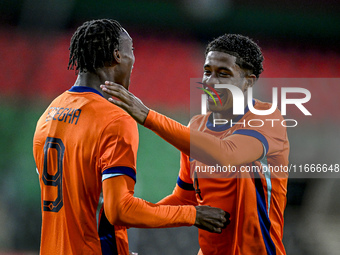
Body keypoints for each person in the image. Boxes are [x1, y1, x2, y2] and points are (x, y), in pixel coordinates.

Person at [32, 19, 228, 255]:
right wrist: (193, 214)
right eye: (130, 50)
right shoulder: (114, 119)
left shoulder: (50, 113)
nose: (133, 59)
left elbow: (82, 205)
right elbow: (119, 210)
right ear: (117, 56)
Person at [101, 34, 289, 255]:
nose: (210, 81)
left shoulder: (267, 118)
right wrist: (131, 217)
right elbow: (185, 198)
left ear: (249, 81)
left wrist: (147, 116)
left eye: (224, 74)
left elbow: (226, 154)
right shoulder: (197, 127)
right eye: (207, 71)